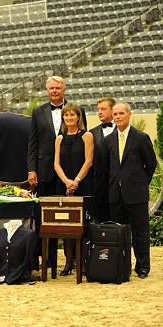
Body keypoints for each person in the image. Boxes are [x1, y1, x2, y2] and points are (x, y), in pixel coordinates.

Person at [27, 76, 83, 272]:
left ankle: (72, 261)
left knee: (70, 217)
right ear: (46, 90)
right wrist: (31, 169)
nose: (55, 91)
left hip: (70, 172)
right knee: (46, 218)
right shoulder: (38, 112)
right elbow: (32, 143)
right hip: (44, 172)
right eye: (51, 88)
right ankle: (49, 260)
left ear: (64, 89)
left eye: (58, 88)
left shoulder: (76, 109)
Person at [104, 101, 157, 279]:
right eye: (115, 114)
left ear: (129, 115)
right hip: (115, 195)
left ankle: (142, 267)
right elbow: (107, 167)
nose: (117, 117)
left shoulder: (141, 138)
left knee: (140, 232)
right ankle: (122, 265)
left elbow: (151, 164)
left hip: (136, 195)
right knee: (119, 233)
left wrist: (140, 183)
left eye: (121, 114)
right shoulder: (108, 140)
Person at [54, 103, 94, 276]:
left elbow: (89, 161)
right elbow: (56, 164)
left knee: (83, 225)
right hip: (64, 185)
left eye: (72, 115)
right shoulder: (59, 138)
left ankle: (83, 262)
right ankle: (69, 261)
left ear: (78, 117)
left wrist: (76, 181)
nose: (69, 118)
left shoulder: (87, 136)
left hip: (83, 184)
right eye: (66, 115)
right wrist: (66, 182)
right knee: (66, 225)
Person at [89, 97, 116, 222]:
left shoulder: (123, 131)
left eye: (103, 109)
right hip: (99, 188)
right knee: (101, 223)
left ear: (112, 111)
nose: (99, 112)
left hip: (119, 187)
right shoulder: (91, 133)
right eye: (98, 109)